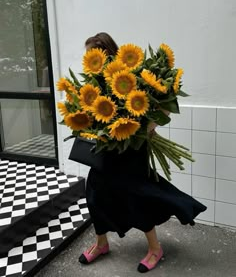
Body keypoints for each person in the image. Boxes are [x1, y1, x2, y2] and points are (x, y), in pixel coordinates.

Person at [78, 32, 207, 273]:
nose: (89, 61)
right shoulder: (94, 86)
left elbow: (161, 108)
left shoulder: (132, 76)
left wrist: (145, 128)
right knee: (94, 193)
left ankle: (155, 248)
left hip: (132, 152)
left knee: (135, 197)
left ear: (106, 55)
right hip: (107, 151)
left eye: (93, 56)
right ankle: (101, 244)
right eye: (88, 57)